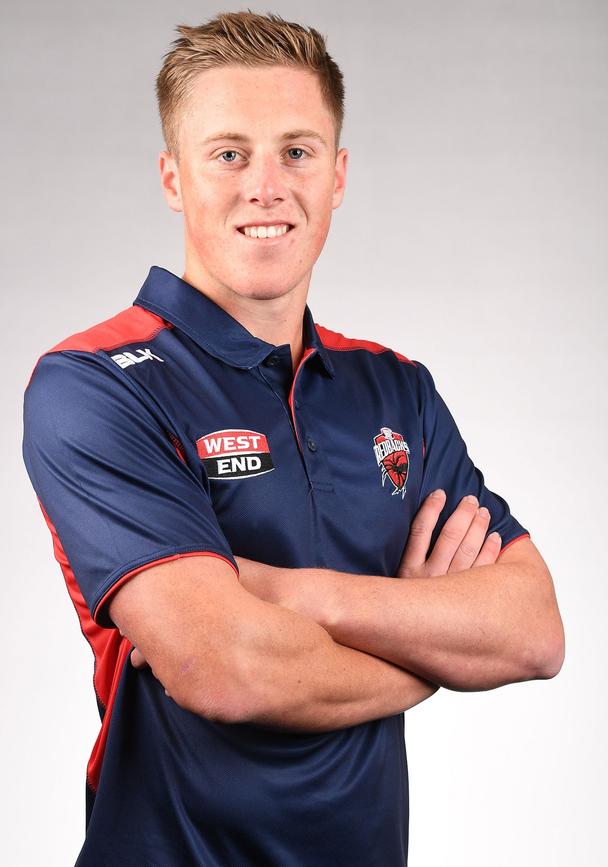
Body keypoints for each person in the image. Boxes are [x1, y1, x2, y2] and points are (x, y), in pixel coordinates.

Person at [21, 10, 564, 866]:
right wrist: (430, 655)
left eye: (297, 151)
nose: (266, 186)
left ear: (338, 174)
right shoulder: (91, 382)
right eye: (229, 152)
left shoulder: (395, 387)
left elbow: (532, 629)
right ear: (173, 175)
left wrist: (290, 592)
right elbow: (226, 669)